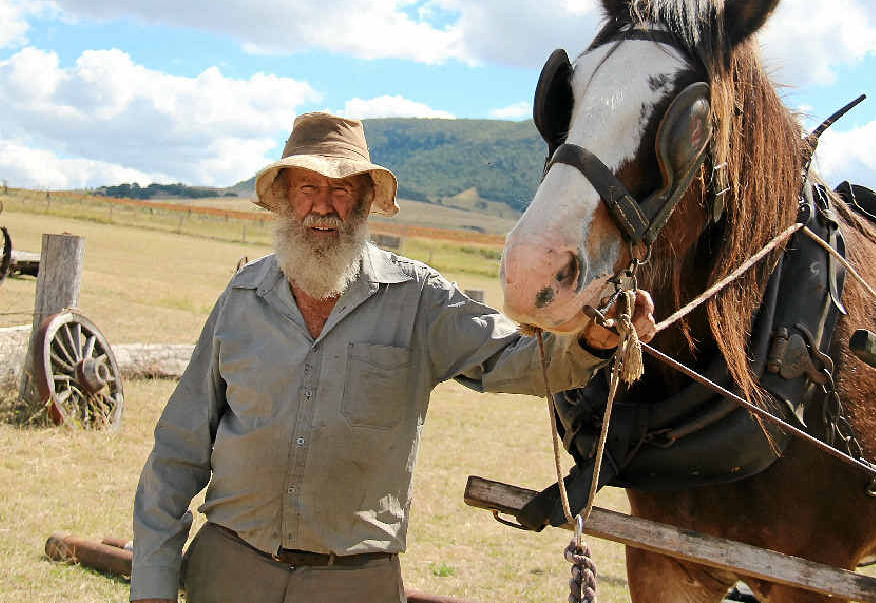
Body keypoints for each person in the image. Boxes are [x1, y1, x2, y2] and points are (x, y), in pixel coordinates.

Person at [130, 112, 655, 603]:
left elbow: (515, 360)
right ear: (287, 200)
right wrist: (152, 587)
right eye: (308, 188)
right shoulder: (242, 298)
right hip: (229, 571)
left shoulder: (418, 298)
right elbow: (177, 454)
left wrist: (590, 342)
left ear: (363, 204)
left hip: (355, 581)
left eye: (340, 190)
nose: (322, 205)